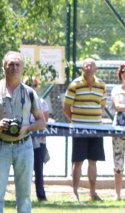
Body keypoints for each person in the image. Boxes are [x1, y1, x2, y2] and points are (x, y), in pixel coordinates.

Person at [0, 51, 46, 213]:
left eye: (17, 64)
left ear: (22, 68)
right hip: (0, 146)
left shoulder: (30, 92)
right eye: (10, 64)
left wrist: (26, 128)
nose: (14, 67)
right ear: (4, 67)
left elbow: (41, 121)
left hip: (25, 146)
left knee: (24, 195)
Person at [62, 57, 107, 202]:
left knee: (93, 161)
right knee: (78, 161)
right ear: (82, 68)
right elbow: (66, 108)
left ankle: (92, 193)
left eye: (91, 65)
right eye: (86, 65)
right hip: (79, 129)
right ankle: (74, 193)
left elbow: (102, 106)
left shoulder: (101, 85)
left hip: (96, 129)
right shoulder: (74, 84)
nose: (89, 68)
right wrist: (76, 122)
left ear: (96, 69)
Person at [25, 77, 51, 201]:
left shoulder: (42, 102)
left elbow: (44, 122)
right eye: (28, 84)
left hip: (38, 141)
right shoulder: (20, 102)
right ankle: (24, 195)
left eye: (33, 84)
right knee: (24, 169)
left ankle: (41, 195)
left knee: (38, 169)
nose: (31, 86)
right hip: (22, 139)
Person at [110, 64, 125, 201]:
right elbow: (117, 107)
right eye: (123, 72)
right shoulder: (116, 90)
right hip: (119, 130)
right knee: (118, 162)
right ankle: (118, 194)